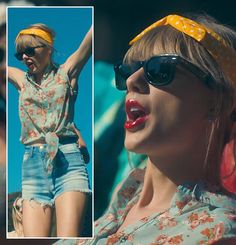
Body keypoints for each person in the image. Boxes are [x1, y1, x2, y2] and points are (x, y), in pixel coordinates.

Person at [60, 13, 236, 245]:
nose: (132, 80)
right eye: (126, 71)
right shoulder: (114, 210)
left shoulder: (216, 232)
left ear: (217, 103)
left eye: (160, 68)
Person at [8, 23, 92, 237]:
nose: (25, 57)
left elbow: (90, 37)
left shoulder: (66, 72)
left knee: (68, 240)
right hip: (33, 166)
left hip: (68, 162)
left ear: (48, 49)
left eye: (30, 50)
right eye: (20, 54)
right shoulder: (21, 80)